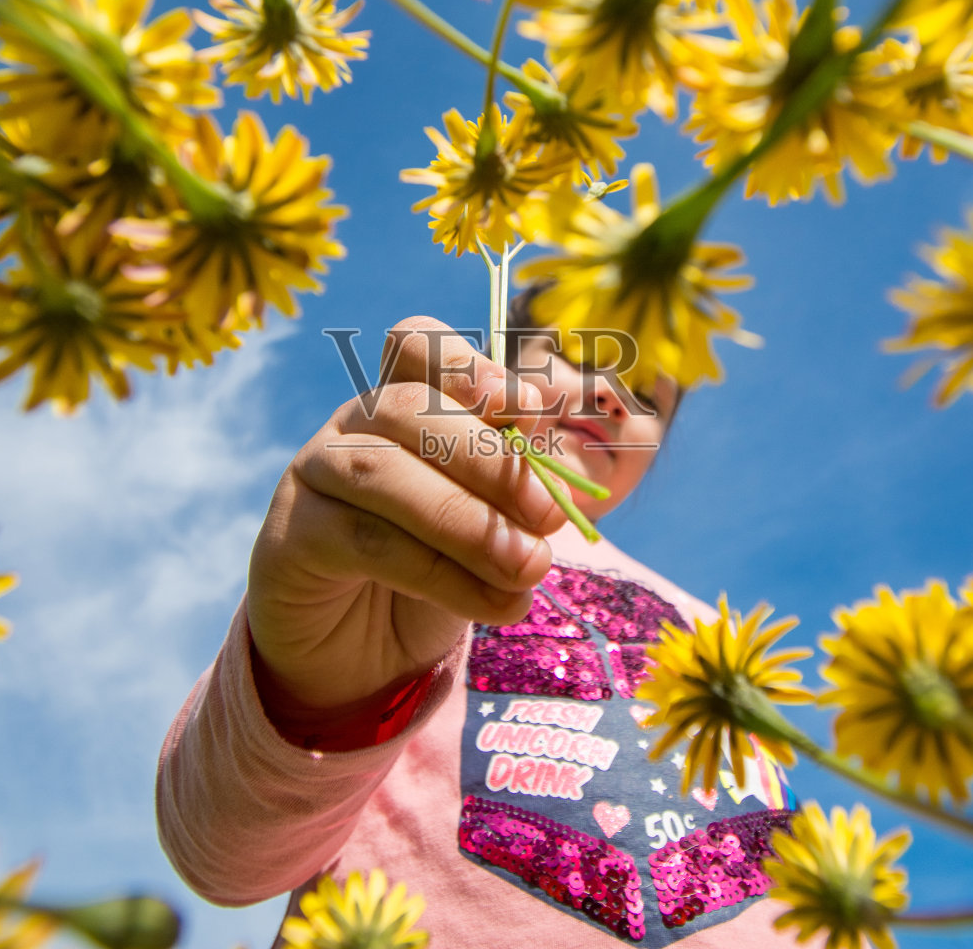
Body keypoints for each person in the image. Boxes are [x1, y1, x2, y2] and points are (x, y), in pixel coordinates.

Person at [155, 299, 802, 947]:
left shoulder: (711, 623)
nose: (609, 394)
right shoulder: (396, 547)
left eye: (647, 398)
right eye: (579, 354)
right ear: (497, 365)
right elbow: (224, 853)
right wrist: (314, 698)